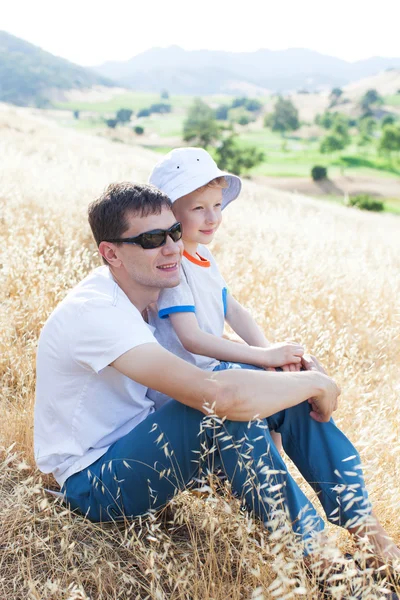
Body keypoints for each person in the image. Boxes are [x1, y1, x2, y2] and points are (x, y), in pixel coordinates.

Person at [34, 181, 400, 570]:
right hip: (96, 482)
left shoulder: (151, 292)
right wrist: (316, 384)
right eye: (153, 238)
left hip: (150, 445)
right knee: (218, 410)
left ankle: (370, 534)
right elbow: (218, 396)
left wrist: (287, 367)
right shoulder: (96, 314)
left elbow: (215, 354)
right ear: (111, 253)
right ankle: (323, 563)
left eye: (174, 231)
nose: (173, 247)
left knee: (267, 379)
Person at [147, 147, 305, 453]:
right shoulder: (173, 264)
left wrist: (267, 351)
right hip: (188, 384)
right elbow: (191, 339)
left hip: (213, 372)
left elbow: (231, 308)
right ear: (170, 214)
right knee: (267, 387)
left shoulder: (203, 254)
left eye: (218, 205)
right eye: (198, 209)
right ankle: (264, 474)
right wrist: (261, 358)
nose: (213, 218)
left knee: (278, 386)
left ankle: (272, 467)